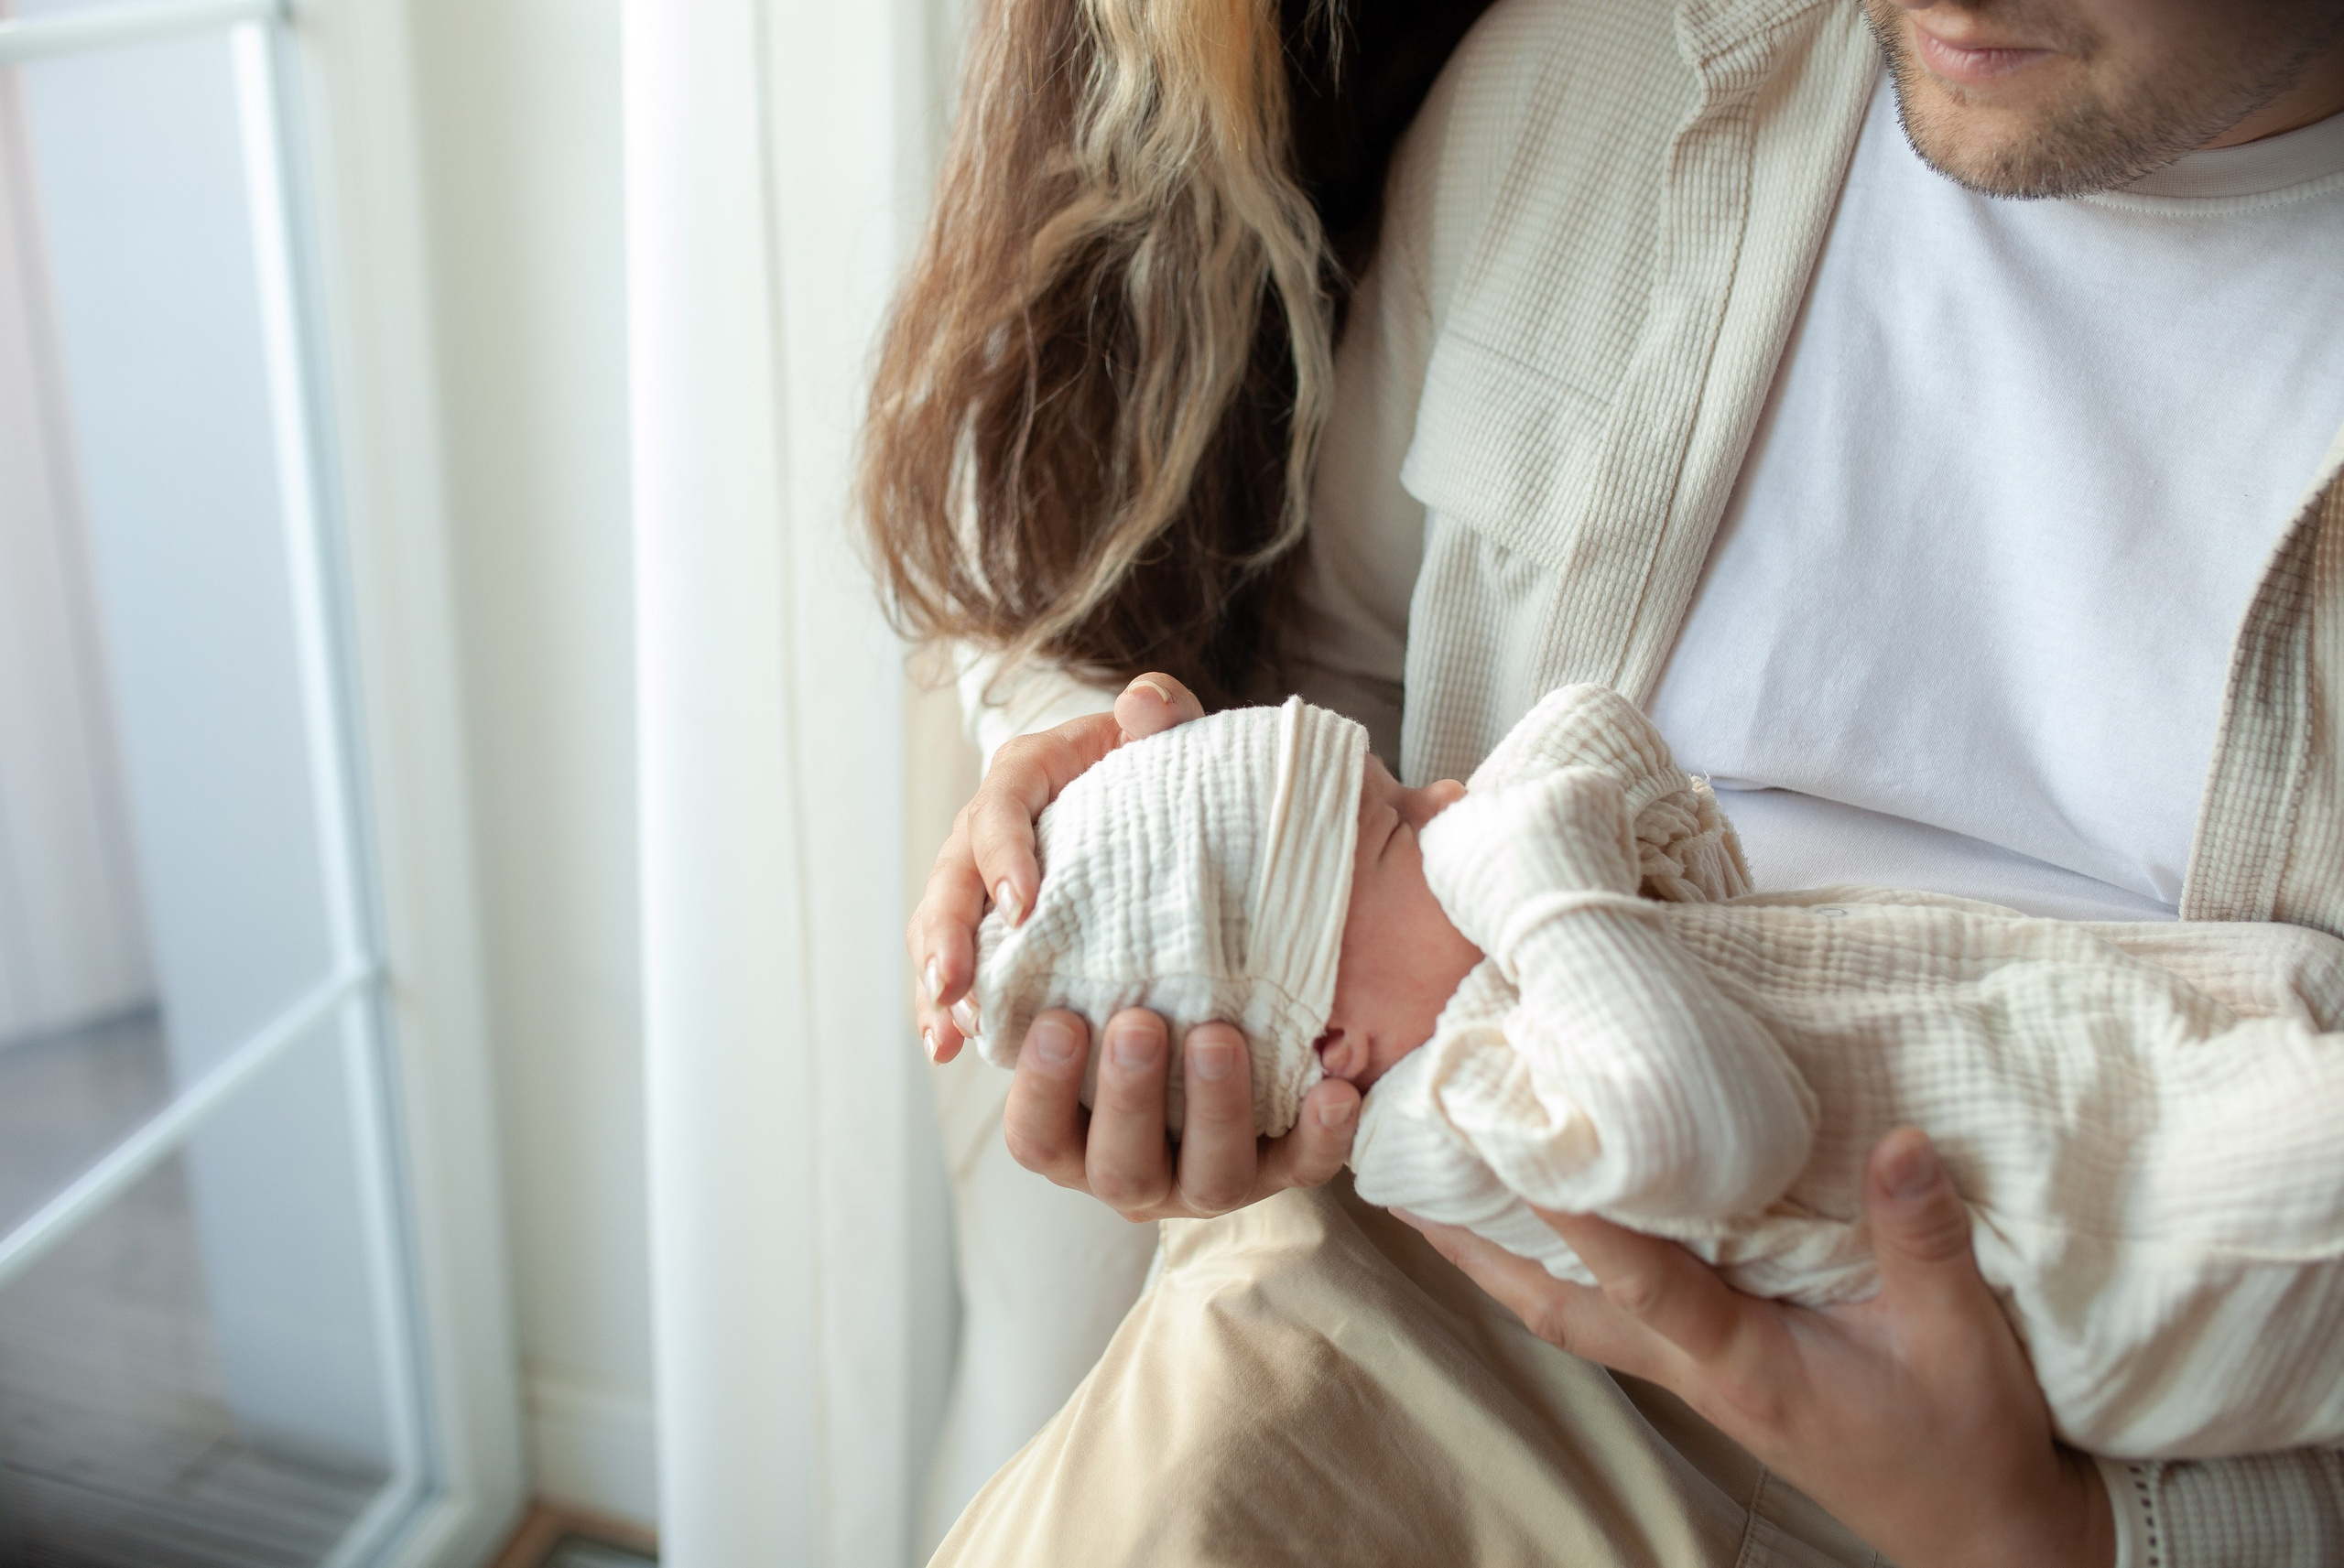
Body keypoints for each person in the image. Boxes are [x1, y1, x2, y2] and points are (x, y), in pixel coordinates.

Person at [868, 0, 2344, 1561]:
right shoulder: (1597, 84)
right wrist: (1150, 841)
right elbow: (1350, 675)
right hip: (1412, 1358)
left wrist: (2054, 1535)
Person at [968, 681, 2344, 1461]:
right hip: (2107, 1244)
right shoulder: (1453, 1120)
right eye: (1396, 832)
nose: (1450, 798)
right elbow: (1721, 1127)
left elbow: (1634, 768)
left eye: (1405, 782)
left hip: (2097, 1041)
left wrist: (1524, 869)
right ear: (1332, 1047)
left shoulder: (1527, 956)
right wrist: (1533, 878)